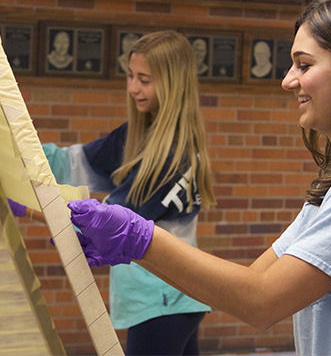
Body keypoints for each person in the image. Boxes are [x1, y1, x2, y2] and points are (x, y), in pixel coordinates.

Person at [67, 0, 331, 355]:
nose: (288, 80)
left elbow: (263, 302)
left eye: (304, 64)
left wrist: (137, 238)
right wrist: (135, 247)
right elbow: (252, 281)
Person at [42, 31, 216, 355]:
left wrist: (30, 209)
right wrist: (19, 151)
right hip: (174, 300)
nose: (133, 87)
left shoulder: (171, 156)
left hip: (163, 300)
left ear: (172, 83)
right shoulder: (139, 136)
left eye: (145, 79)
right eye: (130, 76)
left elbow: (106, 222)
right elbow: (72, 163)